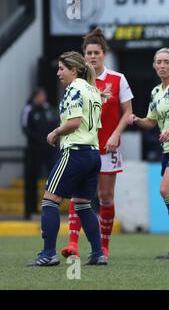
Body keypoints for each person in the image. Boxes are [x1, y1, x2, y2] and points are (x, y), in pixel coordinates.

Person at [27, 51, 106, 266]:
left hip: (76, 152)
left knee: (49, 200)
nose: (58, 72)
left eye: (62, 68)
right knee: (83, 205)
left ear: (74, 70)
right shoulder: (93, 89)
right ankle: (98, 254)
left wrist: (54, 132)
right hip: (92, 154)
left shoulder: (74, 88)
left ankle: (48, 254)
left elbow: (74, 121)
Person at [61, 28, 134, 260]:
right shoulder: (78, 83)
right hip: (83, 147)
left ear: (105, 54)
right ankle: (73, 243)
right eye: (89, 53)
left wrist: (115, 134)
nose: (93, 56)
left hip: (107, 148)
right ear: (83, 56)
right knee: (77, 195)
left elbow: (128, 113)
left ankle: (104, 247)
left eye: (97, 52)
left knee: (105, 197)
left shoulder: (117, 79)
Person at [128, 48, 169, 259]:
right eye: (159, 62)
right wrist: (136, 120)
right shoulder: (156, 92)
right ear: (154, 66)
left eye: (167, 62)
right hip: (167, 147)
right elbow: (151, 121)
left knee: (165, 190)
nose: (162, 65)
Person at [21, 88, 59, 216]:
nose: (44, 99)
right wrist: (39, 139)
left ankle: (53, 205)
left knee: (53, 177)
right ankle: (31, 209)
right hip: (34, 151)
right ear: (35, 97)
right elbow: (25, 128)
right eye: (41, 96)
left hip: (49, 150)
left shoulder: (48, 109)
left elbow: (56, 122)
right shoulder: (29, 109)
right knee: (32, 179)